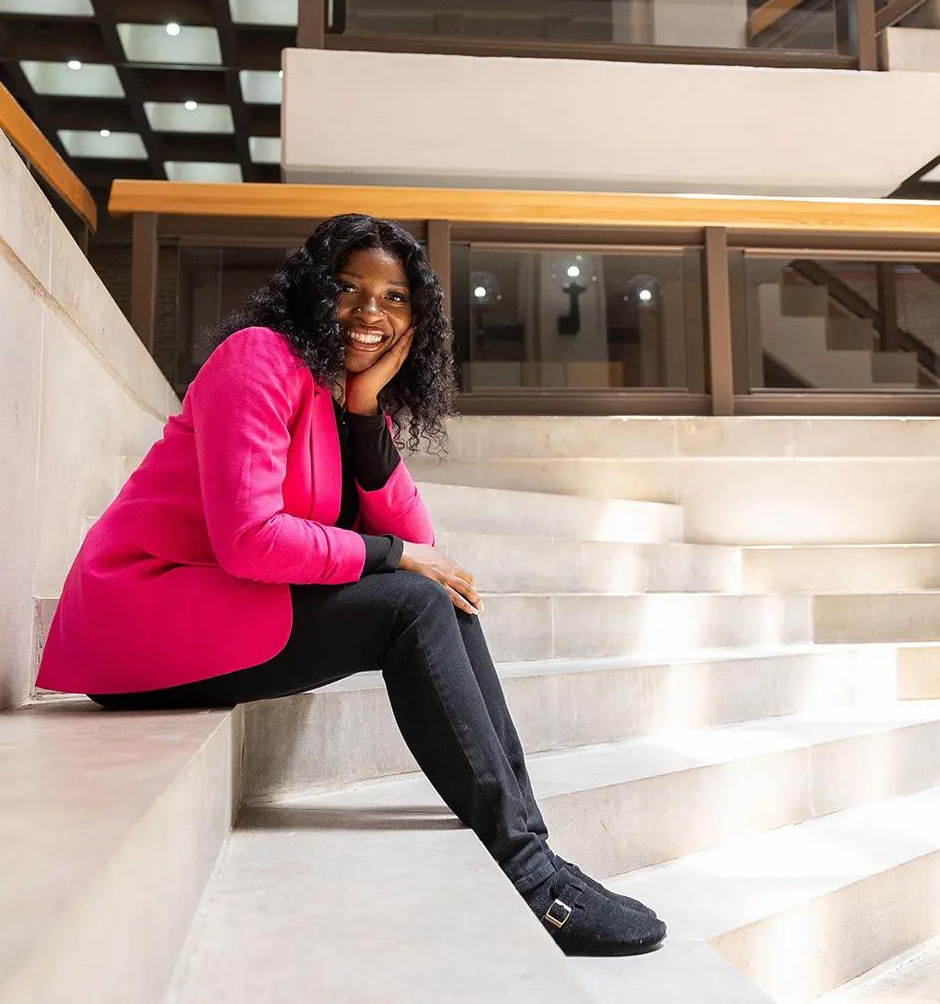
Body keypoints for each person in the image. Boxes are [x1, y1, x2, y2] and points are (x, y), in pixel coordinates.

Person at [35, 214, 665, 957]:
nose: (372, 311)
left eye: (395, 298)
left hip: (212, 608)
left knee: (440, 596)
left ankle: (535, 852)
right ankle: (532, 882)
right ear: (311, 291)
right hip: (142, 617)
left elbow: (420, 541)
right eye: (349, 288)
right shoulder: (257, 359)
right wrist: (392, 555)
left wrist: (366, 413)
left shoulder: (341, 396)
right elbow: (250, 541)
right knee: (411, 601)